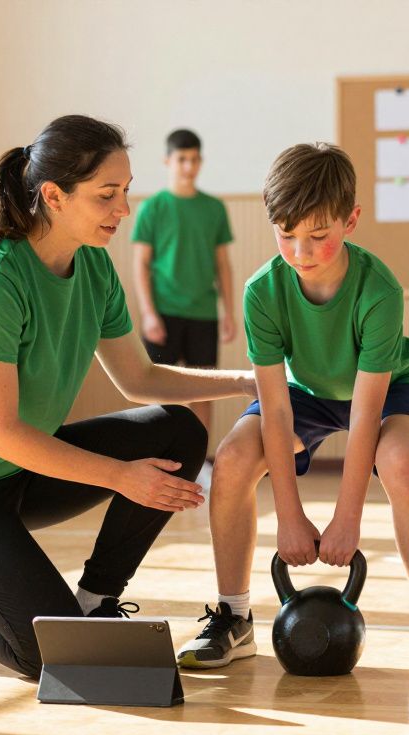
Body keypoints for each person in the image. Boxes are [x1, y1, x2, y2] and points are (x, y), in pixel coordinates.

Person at [0, 115, 254, 680]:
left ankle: (96, 601)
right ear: (53, 196)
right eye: (108, 194)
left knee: (177, 430)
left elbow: (140, 378)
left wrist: (248, 381)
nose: (123, 209)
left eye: (126, 191)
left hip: (17, 476)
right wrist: (119, 476)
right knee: (52, 660)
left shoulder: (95, 268)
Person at [176, 143, 409, 677]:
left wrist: (346, 519)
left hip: (382, 389)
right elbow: (277, 410)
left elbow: (365, 412)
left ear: (350, 220)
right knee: (235, 456)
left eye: (318, 236)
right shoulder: (262, 291)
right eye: (285, 234)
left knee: (401, 460)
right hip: (302, 392)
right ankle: (233, 617)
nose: (300, 251)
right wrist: (289, 516)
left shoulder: (379, 291)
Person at [131, 128, 236, 486]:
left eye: (194, 159)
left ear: (200, 161)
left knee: (202, 389)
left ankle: (198, 463)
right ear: (168, 161)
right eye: (181, 159)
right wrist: (148, 312)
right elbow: (141, 264)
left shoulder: (214, 208)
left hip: (204, 313)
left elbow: (223, 264)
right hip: (163, 312)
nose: (188, 166)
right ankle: (156, 461)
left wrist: (230, 313)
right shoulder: (153, 207)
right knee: (157, 390)